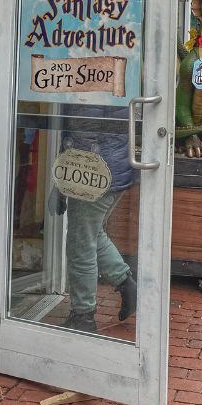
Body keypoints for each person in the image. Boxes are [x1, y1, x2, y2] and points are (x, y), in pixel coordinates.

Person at [59, 107, 138, 333]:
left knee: (80, 244)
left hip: (94, 173)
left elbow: (84, 132)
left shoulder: (92, 77)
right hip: (112, 167)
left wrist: (64, 180)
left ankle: (83, 316)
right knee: (92, 233)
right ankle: (125, 283)